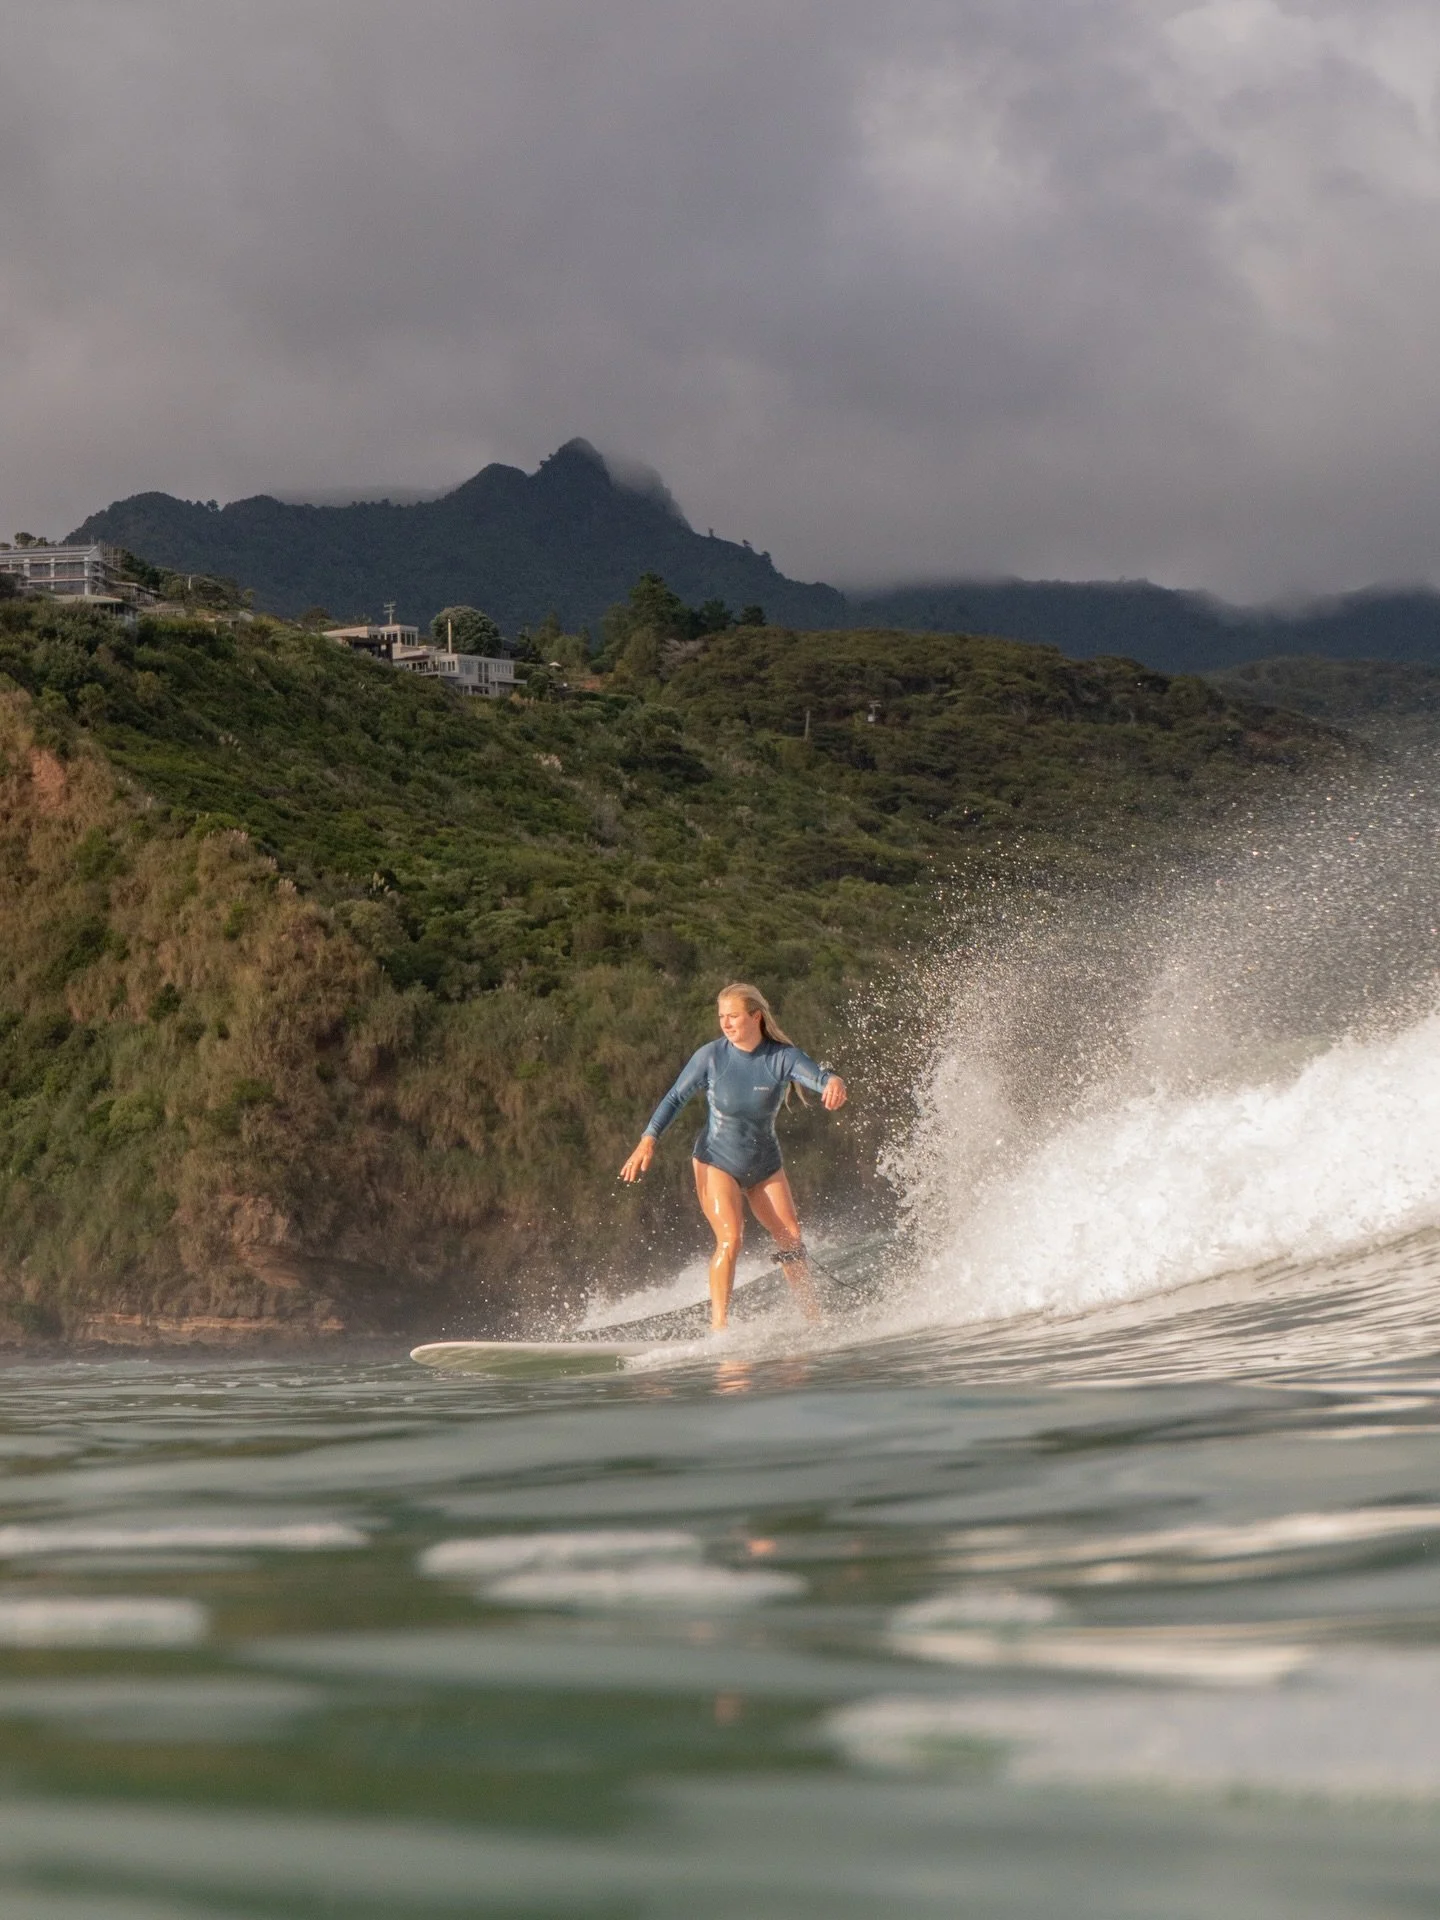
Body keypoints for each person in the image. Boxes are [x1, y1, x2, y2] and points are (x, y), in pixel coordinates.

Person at [619, 982, 848, 1331]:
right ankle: (720, 1328)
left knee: (791, 1237)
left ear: (755, 1016)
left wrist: (834, 1082)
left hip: (764, 1162)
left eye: (734, 1016)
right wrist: (648, 1139)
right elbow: (674, 1099)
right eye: (722, 1017)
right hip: (716, 1160)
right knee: (731, 1237)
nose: (726, 1024)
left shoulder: (781, 1057)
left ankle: (812, 1319)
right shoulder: (712, 1056)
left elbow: (817, 1077)